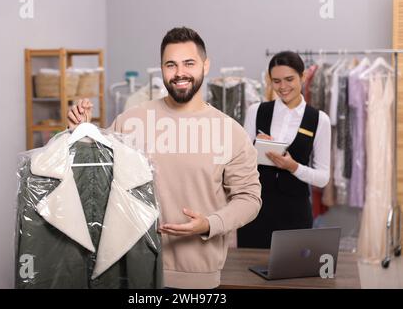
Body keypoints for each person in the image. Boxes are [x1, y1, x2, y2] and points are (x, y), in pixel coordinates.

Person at [67, 27, 262, 288]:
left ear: (206, 65)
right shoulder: (131, 121)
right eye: (171, 64)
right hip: (131, 273)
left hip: (196, 280)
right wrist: (81, 131)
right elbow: (96, 171)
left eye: (189, 63)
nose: (180, 72)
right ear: (161, 68)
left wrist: (209, 224)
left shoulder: (231, 133)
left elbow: (249, 198)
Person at [238, 51, 331, 248]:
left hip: (295, 213)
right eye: (276, 81)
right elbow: (241, 163)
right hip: (256, 209)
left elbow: (323, 178)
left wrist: (294, 167)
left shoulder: (319, 119)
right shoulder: (256, 111)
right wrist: (256, 147)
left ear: (303, 77)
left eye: (289, 79)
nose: (283, 87)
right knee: (246, 275)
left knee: (292, 276)